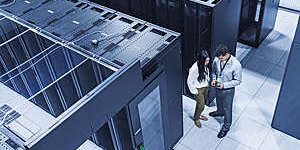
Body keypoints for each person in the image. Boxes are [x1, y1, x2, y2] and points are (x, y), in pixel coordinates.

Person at [209, 44, 242, 138]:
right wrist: (214, 79)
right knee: (218, 101)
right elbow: (214, 72)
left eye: (221, 59)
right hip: (218, 86)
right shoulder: (217, 60)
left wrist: (224, 85)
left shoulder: (236, 65)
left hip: (228, 90)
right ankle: (219, 111)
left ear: (227, 54)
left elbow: (238, 81)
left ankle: (226, 126)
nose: (220, 60)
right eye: (219, 58)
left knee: (227, 108)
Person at [187, 50, 211, 128]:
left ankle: (199, 115)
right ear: (201, 60)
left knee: (200, 104)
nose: (207, 62)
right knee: (201, 106)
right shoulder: (194, 69)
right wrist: (195, 91)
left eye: (208, 60)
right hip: (198, 89)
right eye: (206, 61)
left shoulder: (203, 65)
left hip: (205, 86)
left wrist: (208, 80)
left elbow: (205, 73)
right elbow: (189, 81)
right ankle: (196, 118)